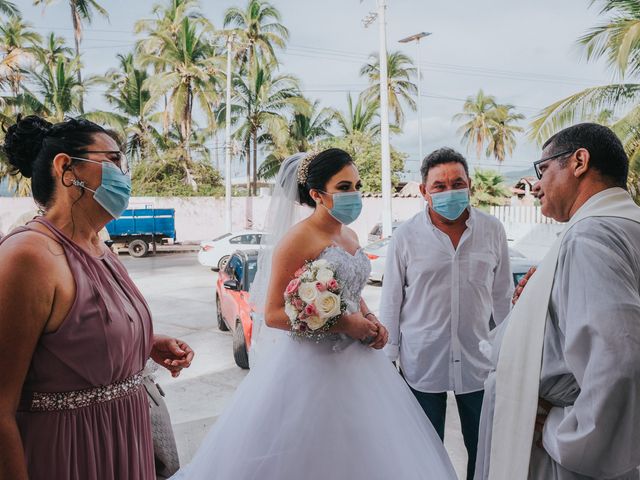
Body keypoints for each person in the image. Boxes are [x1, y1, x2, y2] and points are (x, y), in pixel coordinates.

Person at [171, 149, 457, 479]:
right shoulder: (297, 239)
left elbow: (351, 292)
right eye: (345, 187)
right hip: (312, 367)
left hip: (360, 364)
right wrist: (342, 322)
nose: (355, 195)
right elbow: (274, 313)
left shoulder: (349, 235)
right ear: (317, 194)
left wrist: (370, 319)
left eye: (357, 185)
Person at [0, 115, 194, 480]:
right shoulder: (29, 256)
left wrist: (143, 343)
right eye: (114, 160)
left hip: (126, 443)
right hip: (69, 455)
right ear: (67, 168)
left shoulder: (99, 247)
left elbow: (72, 336)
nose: (124, 174)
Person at [475, 123, 640, 480]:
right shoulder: (623, 225)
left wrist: (565, 432)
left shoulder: (591, 235)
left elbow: (619, 358)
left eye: (543, 169)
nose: (535, 185)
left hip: (562, 454)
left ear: (579, 161)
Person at [380, 147, 513, 480]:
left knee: (484, 449)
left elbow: (502, 296)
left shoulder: (493, 230)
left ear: (470, 185)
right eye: (439, 186)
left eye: (458, 182)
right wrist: (388, 359)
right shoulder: (405, 237)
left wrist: (508, 350)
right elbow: (391, 300)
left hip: (479, 361)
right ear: (424, 192)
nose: (449, 191)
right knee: (424, 452)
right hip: (421, 362)